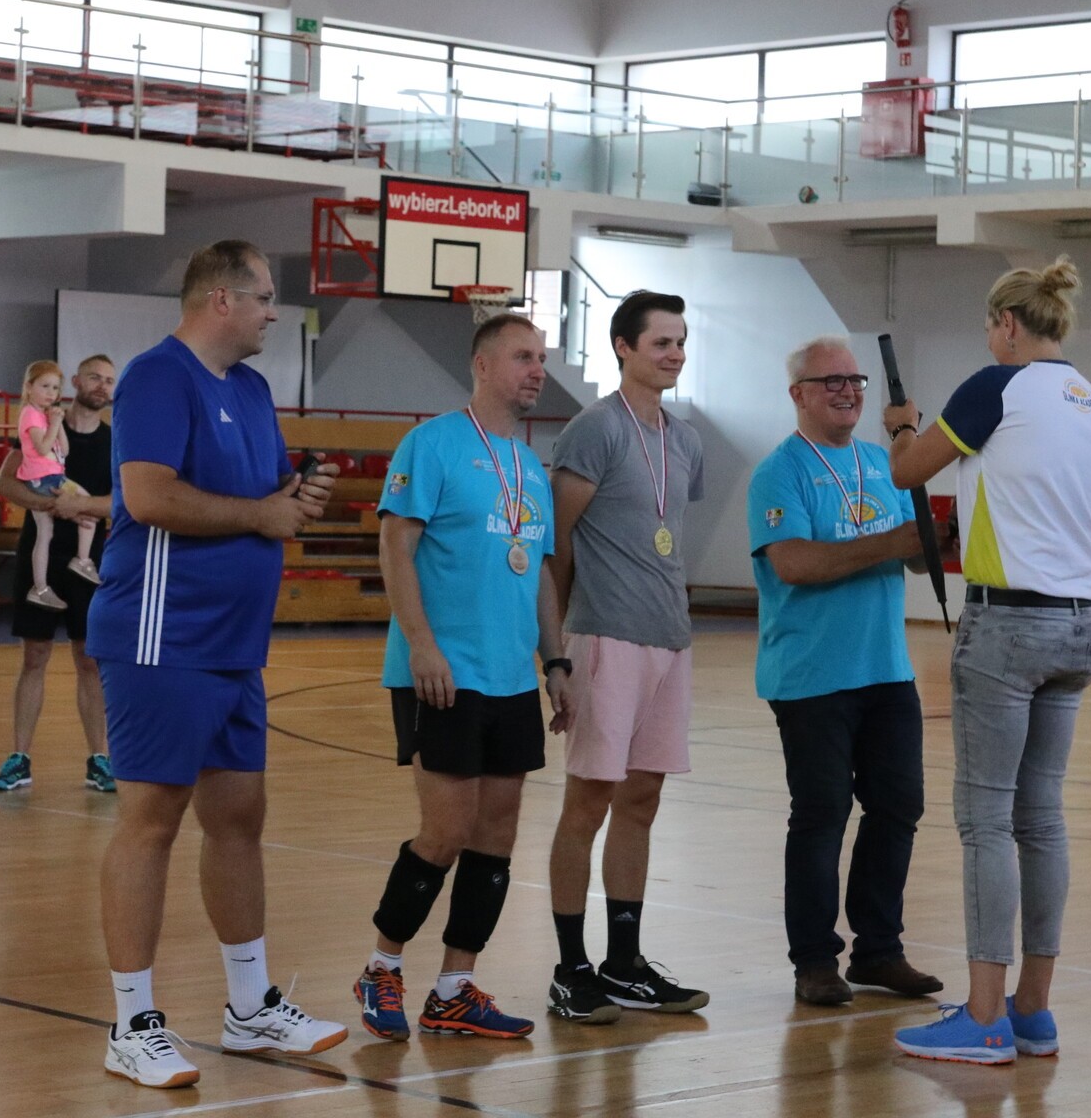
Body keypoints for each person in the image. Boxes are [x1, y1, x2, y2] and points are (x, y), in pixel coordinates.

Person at [86, 240, 345, 1090]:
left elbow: (267, 499)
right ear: (220, 300)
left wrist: (297, 499)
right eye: (265, 297)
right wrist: (260, 515)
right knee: (151, 822)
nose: (275, 311)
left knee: (238, 817)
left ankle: (249, 1006)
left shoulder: (253, 389)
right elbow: (150, 495)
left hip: (235, 645)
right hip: (164, 635)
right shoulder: (159, 377)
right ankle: (132, 1024)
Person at [889, 258, 1091, 1065]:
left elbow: (906, 471)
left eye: (990, 326)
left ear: (1009, 324)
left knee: (986, 819)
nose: (989, 340)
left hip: (1008, 625)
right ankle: (1032, 1011)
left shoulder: (996, 387)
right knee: (1041, 818)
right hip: (1079, 625)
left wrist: (903, 426)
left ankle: (983, 1017)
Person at [353, 314, 571, 1043]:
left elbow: (540, 573)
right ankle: (382, 966)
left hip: (511, 678)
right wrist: (422, 646)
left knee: (496, 836)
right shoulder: (433, 444)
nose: (537, 370)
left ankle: (454, 988)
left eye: (542, 358)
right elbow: (396, 547)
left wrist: (556, 662)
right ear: (482, 365)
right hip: (443, 673)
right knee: (445, 831)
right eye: (523, 357)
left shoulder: (530, 467)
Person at [745, 336, 941, 1008]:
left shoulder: (885, 464)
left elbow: (916, 553)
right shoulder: (780, 472)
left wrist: (934, 538)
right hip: (811, 676)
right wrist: (891, 544)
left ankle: (878, 951)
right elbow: (795, 563)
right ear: (797, 394)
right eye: (830, 381)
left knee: (898, 806)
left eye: (854, 380)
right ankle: (814, 961)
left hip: (886, 670)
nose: (847, 391)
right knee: (822, 813)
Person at [543, 291, 709, 1023]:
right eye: (661, 342)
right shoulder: (595, 429)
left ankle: (623, 964)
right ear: (623, 347)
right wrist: (559, 648)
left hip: (670, 639)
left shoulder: (687, 440)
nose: (674, 354)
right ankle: (569, 968)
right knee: (587, 803)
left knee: (641, 802)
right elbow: (556, 542)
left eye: (680, 341)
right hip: (605, 636)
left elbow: (662, 535)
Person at [0, 353, 116, 794]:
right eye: (95, 377)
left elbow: (122, 501)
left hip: (88, 561)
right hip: (40, 553)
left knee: (89, 659)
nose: (102, 386)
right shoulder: (40, 424)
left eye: (109, 381)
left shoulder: (115, 441)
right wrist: (49, 504)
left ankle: (99, 759)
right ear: (76, 382)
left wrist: (80, 505)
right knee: (34, 656)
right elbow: (5, 483)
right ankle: (19, 758)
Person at [14, 360, 100, 611]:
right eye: (45, 386)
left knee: (45, 534)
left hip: (46, 477)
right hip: (47, 479)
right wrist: (53, 424)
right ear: (29, 387)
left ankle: (40, 587)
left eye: (55, 388)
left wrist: (57, 422)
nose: (51, 393)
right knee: (88, 508)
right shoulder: (30, 414)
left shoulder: (43, 414)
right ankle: (82, 559)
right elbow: (42, 448)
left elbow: (66, 450)